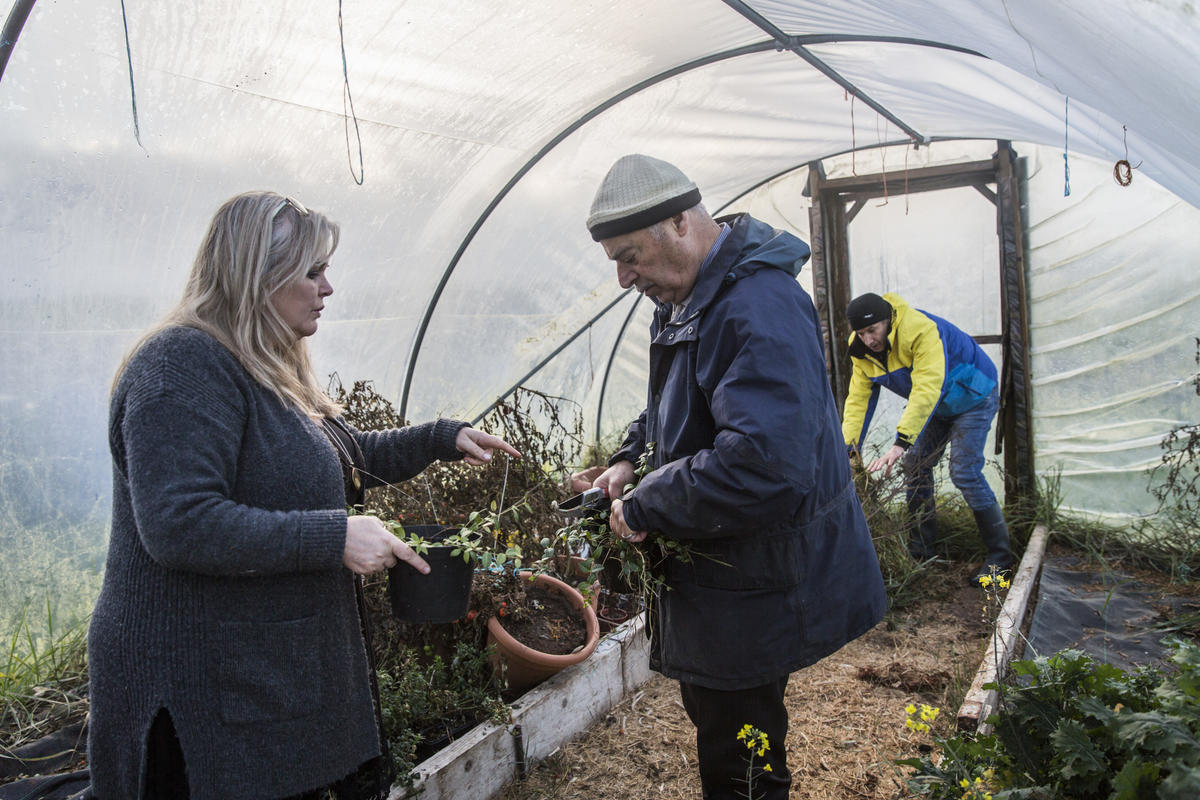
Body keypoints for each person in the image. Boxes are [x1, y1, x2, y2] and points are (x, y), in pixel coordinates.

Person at [87, 191, 521, 800]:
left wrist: (441, 437)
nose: (328, 287)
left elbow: (336, 462)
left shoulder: (261, 362)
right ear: (256, 277)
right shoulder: (182, 364)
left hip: (258, 673)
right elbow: (178, 523)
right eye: (313, 271)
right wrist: (335, 537)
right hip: (200, 689)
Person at [577, 154, 887, 800]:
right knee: (729, 734)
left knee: (741, 761)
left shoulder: (757, 305)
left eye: (629, 255)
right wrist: (630, 459)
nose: (622, 277)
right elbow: (677, 400)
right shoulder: (693, 291)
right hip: (732, 578)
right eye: (615, 260)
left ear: (678, 224)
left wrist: (646, 505)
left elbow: (765, 464)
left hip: (759, 581)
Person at [841, 291, 1013, 579]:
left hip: (974, 396)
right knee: (915, 465)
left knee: (964, 472)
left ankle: (1000, 560)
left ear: (888, 321)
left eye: (872, 330)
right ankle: (921, 551)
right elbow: (858, 399)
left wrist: (900, 443)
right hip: (938, 406)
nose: (868, 339)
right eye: (860, 333)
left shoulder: (919, 330)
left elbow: (927, 387)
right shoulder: (861, 351)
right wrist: (848, 448)